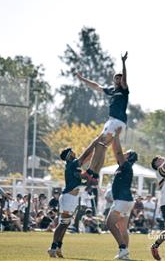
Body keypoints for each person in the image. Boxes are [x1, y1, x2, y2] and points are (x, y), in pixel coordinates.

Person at [76, 51, 130, 187]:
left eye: (120, 78)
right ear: (113, 80)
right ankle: (93, 174)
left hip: (117, 121)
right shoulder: (111, 90)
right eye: (116, 78)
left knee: (98, 143)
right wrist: (82, 80)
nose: (119, 79)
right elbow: (96, 86)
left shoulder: (123, 89)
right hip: (113, 121)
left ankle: (86, 168)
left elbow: (124, 80)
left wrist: (123, 62)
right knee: (101, 145)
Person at [47, 139, 97, 258]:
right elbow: (85, 156)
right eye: (72, 152)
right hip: (69, 197)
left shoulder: (72, 165)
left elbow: (85, 165)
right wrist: (94, 145)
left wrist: (94, 151)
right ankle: (53, 247)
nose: (74, 153)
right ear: (69, 155)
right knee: (63, 223)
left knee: (65, 224)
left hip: (71, 197)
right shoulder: (73, 162)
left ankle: (58, 247)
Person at [107, 149, 139, 260]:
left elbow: (118, 152)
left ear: (129, 157)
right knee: (123, 229)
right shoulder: (124, 166)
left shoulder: (126, 165)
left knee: (110, 224)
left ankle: (123, 248)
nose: (123, 153)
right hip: (126, 201)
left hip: (122, 200)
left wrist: (115, 136)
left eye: (126, 152)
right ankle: (125, 255)